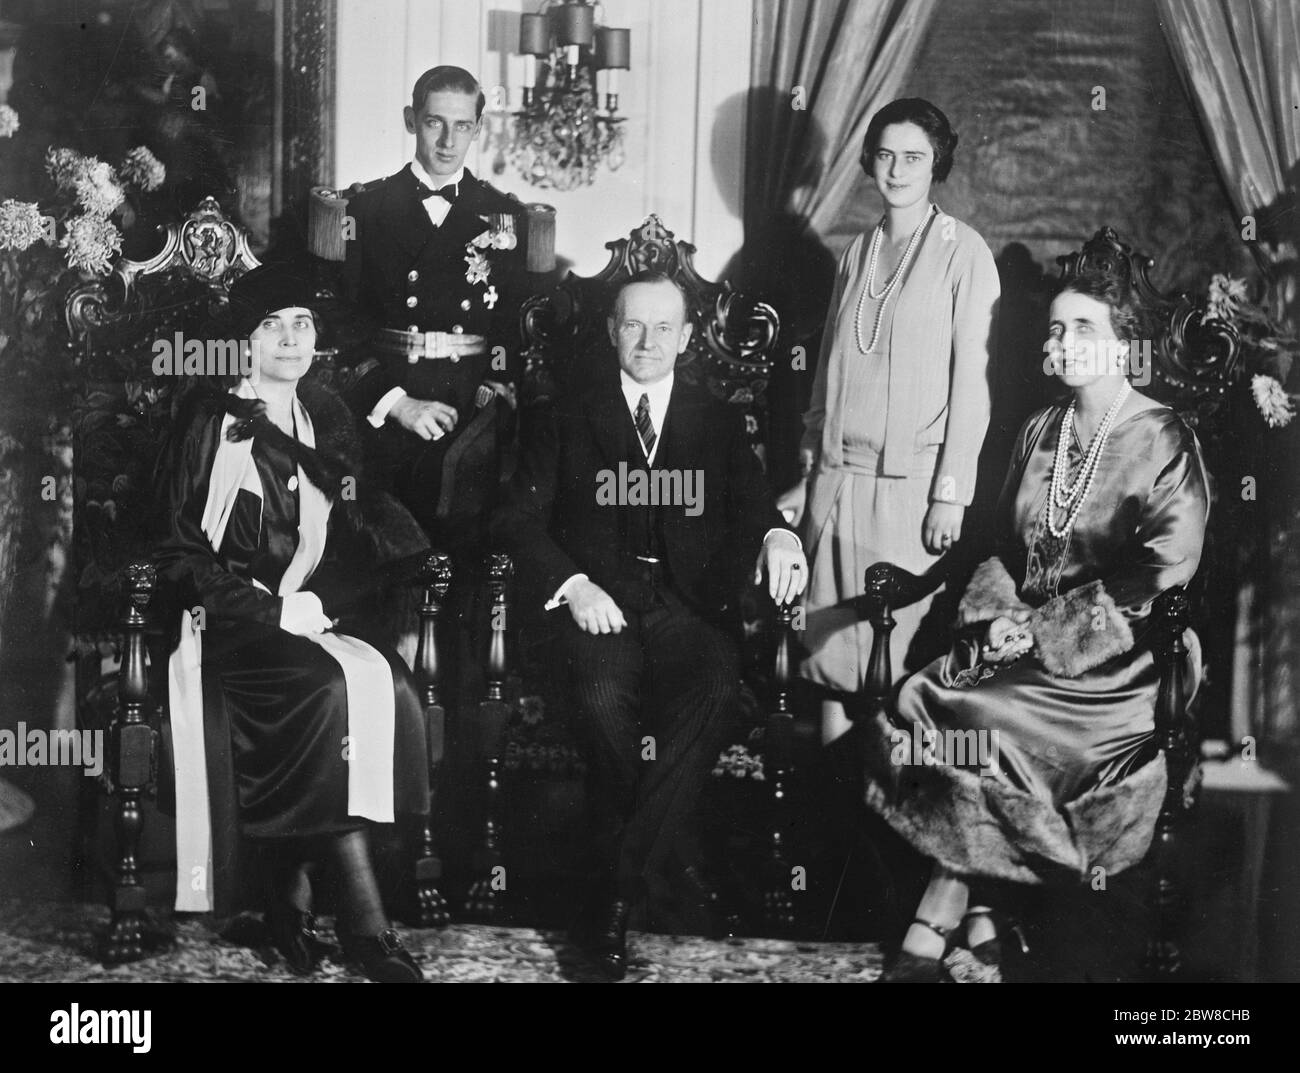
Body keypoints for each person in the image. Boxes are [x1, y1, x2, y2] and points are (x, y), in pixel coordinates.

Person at [866, 270, 1210, 981]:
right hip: (1022, 643)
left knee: (977, 711)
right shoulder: (1039, 428)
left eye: (1086, 327)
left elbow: (1164, 568)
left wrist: (1046, 627)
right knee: (924, 695)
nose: (1065, 341)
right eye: (1057, 328)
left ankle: (945, 899)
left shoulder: (1164, 437)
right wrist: (996, 620)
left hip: (1124, 659)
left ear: (1126, 344)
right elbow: (1000, 542)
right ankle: (985, 910)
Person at [492, 271, 808, 979]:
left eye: (664, 328)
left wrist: (779, 539)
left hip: (687, 606)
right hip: (597, 603)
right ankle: (664, 870)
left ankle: (613, 887)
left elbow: (757, 506)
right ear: (610, 329)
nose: (647, 341)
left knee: (714, 690)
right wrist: (572, 586)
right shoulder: (563, 413)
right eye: (633, 325)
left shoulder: (717, 419)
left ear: (689, 338)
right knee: (601, 698)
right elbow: (514, 519)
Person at [154, 263, 430, 982]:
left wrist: (323, 605)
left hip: (307, 616)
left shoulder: (327, 417)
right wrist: (275, 610)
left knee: (393, 685)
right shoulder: (207, 417)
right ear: (243, 341)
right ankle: (367, 926)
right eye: (271, 324)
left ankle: (293, 893)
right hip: (226, 624)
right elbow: (178, 554)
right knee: (327, 692)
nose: (290, 337)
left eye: (302, 323)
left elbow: (355, 531)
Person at [780, 98, 1000, 745]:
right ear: (869, 161)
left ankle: (885, 823)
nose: (897, 168)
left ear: (938, 164)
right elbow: (825, 376)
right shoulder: (854, 253)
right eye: (885, 154)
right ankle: (831, 823)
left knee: (892, 667)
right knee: (828, 661)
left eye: (914, 156)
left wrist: (950, 492)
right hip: (837, 484)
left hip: (912, 495)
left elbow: (973, 387)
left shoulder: (966, 253)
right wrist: (806, 471)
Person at [340, 64, 525, 547]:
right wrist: (395, 403)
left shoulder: (505, 215)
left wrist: (493, 393)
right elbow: (340, 325)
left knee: (467, 543)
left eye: (462, 125)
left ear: (478, 129)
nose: (448, 140)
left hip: (470, 405)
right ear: (410, 120)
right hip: (387, 402)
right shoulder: (364, 210)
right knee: (388, 547)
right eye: (434, 122)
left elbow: (511, 327)